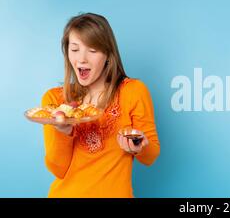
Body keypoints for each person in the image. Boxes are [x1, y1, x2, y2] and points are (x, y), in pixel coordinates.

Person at [41, 13, 160, 197]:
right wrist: (63, 132)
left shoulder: (133, 91)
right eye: (74, 49)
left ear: (108, 54)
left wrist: (139, 147)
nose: (82, 59)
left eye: (92, 50)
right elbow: (58, 169)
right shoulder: (55, 100)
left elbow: (151, 156)